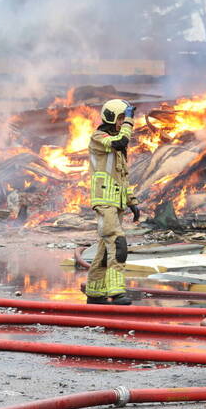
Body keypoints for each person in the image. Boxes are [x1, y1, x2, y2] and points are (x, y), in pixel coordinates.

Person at [83, 99, 141, 305]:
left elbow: (121, 178)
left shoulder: (117, 149)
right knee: (118, 243)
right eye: (121, 118)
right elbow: (120, 141)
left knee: (105, 250)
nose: (123, 123)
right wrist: (130, 122)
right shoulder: (99, 137)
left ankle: (95, 292)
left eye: (124, 119)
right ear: (111, 118)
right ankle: (117, 292)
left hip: (115, 204)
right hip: (104, 201)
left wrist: (131, 201)